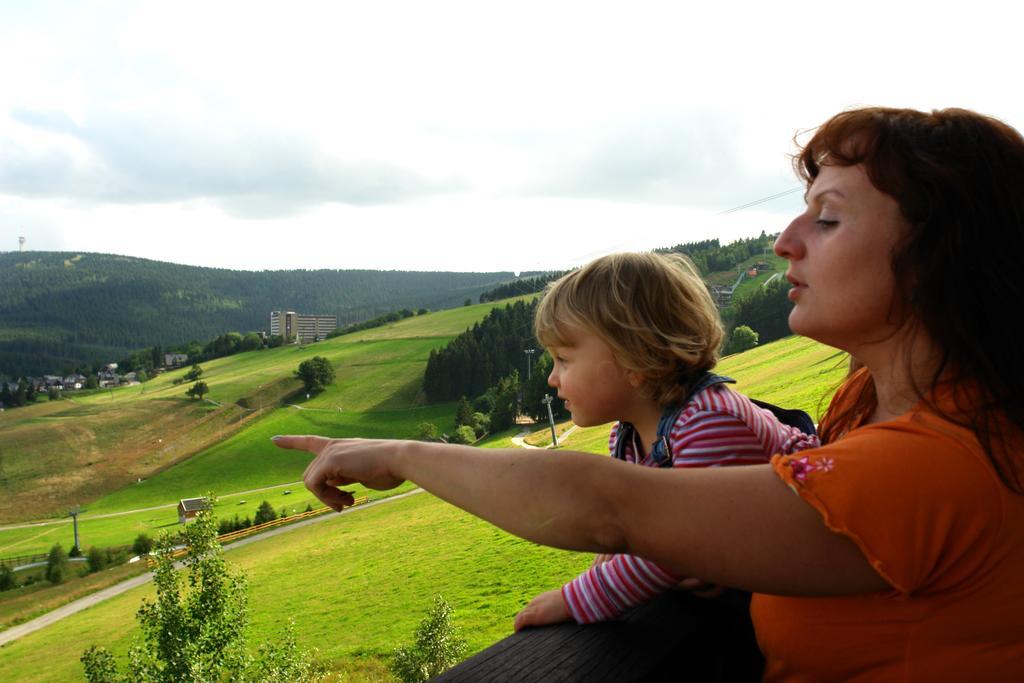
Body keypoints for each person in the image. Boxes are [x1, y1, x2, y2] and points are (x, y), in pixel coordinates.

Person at [274, 106, 1024, 682]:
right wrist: (724, 545)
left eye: (827, 217)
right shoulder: (878, 399)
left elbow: (610, 505)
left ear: (936, 257)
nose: (784, 240)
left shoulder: (951, 456)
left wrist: (404, 454)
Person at [510, 252, 819, 630]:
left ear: (635, 360)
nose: (552, 378)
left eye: (563, 359)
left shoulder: (709, 421)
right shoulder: (626, 437)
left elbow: (684, 542)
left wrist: (577, 598)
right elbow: (643, 532)